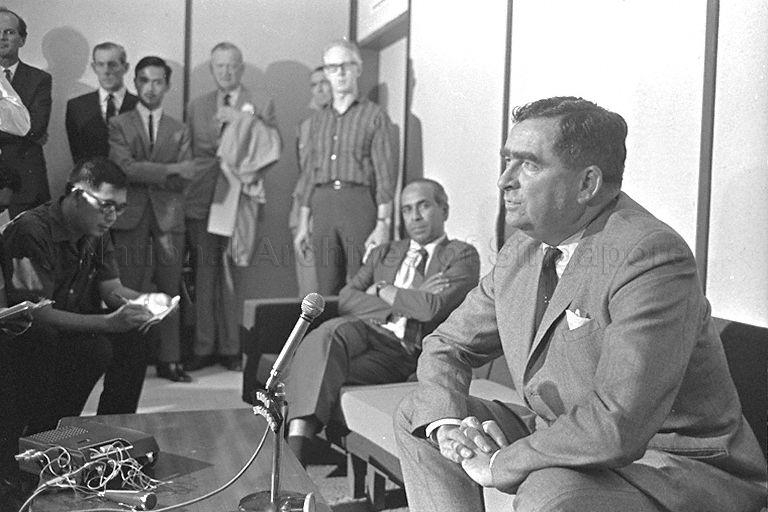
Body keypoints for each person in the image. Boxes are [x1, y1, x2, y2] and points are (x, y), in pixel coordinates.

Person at [394, 97, 768, 512]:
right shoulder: (522, 250)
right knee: (420, 414)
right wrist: (448, 430)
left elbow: (617, 422)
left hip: (664, 464)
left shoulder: (650, 255)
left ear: (587, 184)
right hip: (565, 436)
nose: (504, 180)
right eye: (507, 160)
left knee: (550, 489)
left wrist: (501, 461)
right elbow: (447, 344)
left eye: (529, 164)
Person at [285, 179, 480, 466]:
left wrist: (384, 289)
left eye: (424, 206)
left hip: (406, 351)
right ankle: (297, 455)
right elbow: (347, 297)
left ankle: (293, 452)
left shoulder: (461, 255)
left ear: (444, 210)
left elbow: (431, 308)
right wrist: (399, 304)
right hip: (365, 331)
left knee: (316, 363)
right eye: (406, 210)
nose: (414, 217)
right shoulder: (384, 252)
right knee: (330, 332)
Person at [0, 157, 173, 454]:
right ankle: (45, 436)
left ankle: (112, 433)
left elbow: (111, 289)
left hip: (67, 324)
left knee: (139, 333)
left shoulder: (98, 232)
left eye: (119, 208)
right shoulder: (32, 230)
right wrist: (108, 323)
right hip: (30, 333)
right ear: (78, 196)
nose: (112, 216)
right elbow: (35, 314)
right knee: (93, 349)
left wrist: (146, 302)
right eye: (106, 205)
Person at [185, 42, 279, 372]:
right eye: (220, 66)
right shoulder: (196, 106)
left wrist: (242, 119)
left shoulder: (261, 103)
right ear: (212, 70)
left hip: (241, 201)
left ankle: (230, 347)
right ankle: (203, 346)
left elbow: (270, 148)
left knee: (233, 274)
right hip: (204, 199)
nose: (226, 72)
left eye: (232, 65)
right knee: (204, 272)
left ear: (242, 67)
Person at [109, 56, 196, 383]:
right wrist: (170, 169)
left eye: (157, 81)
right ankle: (127, 357)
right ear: (135, 83)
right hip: (130, 216)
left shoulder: (179, 128)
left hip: (169, 218)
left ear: (167, 86)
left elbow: (186, 178)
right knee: (128, 288)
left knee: (170, 288)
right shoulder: (120, 124)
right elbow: (122, 169)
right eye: (144, 80)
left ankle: (170, 360)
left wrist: (145, 172)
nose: (150, 87)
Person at [293, 39, 395, 296]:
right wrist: (304, 223)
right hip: (323, 204)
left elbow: (385, 174)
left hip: (358, 203)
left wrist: (383, 224)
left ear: (358, 69)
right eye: (332, 67)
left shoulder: (374, 115)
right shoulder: (318, 121)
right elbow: (309, 174)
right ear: (326, 72)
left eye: (345, 66)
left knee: (362, 282)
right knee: (325, 287)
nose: (339, 73)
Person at [0, 7, 51, 217]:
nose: (1, 38)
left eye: (9, 32)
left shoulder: (39, 79)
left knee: (23, 247)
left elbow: (35, 128)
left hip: (25, 184)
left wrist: (28, 132)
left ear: (22, 39)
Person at [290, 66, 332, 296]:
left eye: (324, 82)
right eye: (314, 85)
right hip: (308, 210)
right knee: (310, 289)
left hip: (338, 211)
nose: (319, 89)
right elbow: (306, 170)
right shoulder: (308, 124)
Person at [66, 42, 138, 163]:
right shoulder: (76, 107)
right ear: (94, 68)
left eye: (112, 65)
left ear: (125, 67)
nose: (106, 71)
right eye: (100, 64)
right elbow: (78, 158)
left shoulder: (142, 107)